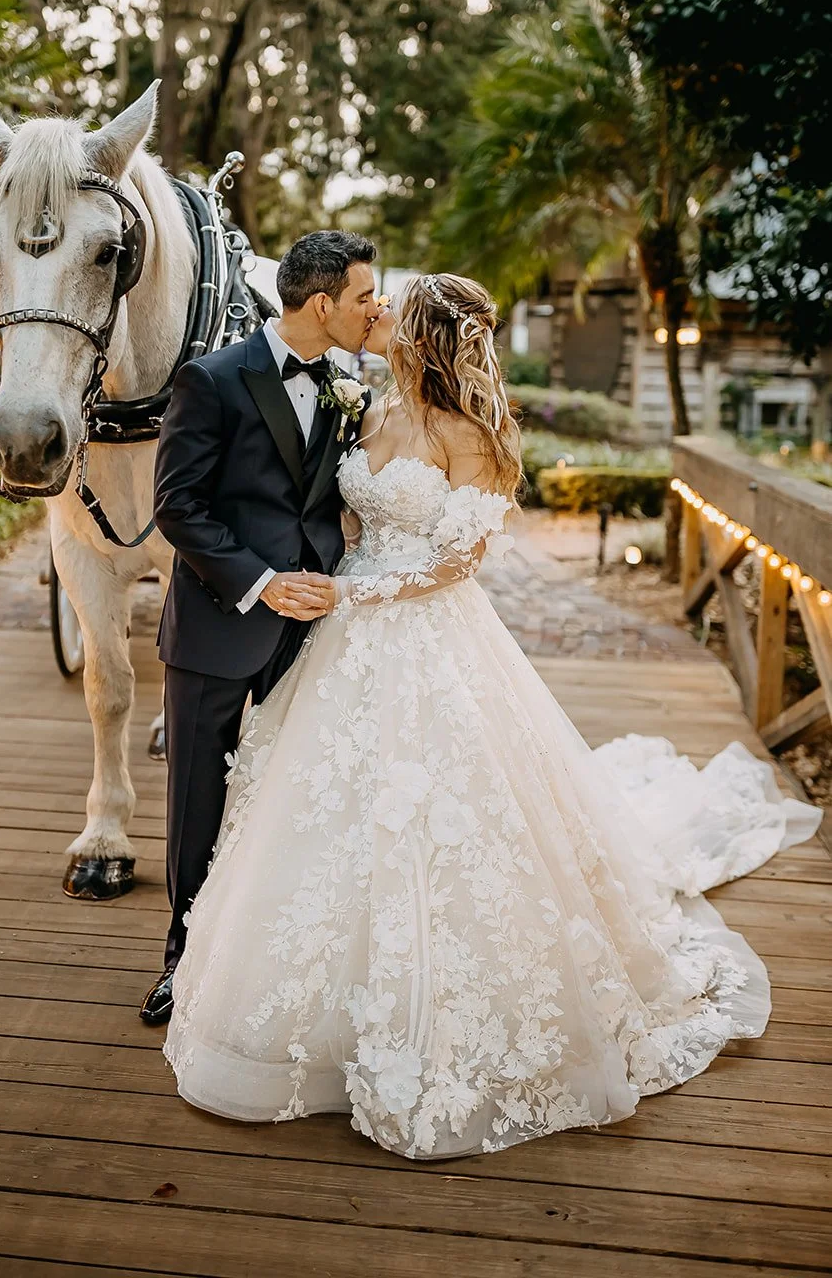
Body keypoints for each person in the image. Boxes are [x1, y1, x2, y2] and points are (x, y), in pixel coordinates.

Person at [162, 273, 822, 1159]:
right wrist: (328, 575)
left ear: (422, 332)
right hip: (342, 637)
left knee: (446, 811)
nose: (375, 313)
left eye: (390, 306)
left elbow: (459, 561)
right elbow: (336, 513)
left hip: (420, 631)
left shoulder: (471, 434)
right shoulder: (367, 404)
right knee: (319, 805)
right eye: (370, 300)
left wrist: (358, 593)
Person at [139, 230, 379, 1026]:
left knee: (285, 798)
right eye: (363, 297)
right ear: (322, 303)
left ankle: (258, 963)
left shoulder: (349, 386)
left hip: (309, 630)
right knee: (196, 802)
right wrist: (261, 583)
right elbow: (177, 506)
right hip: (219, 623)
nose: (372, 309)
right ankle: (181, 961)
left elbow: (326, 505)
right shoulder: (210, 379)